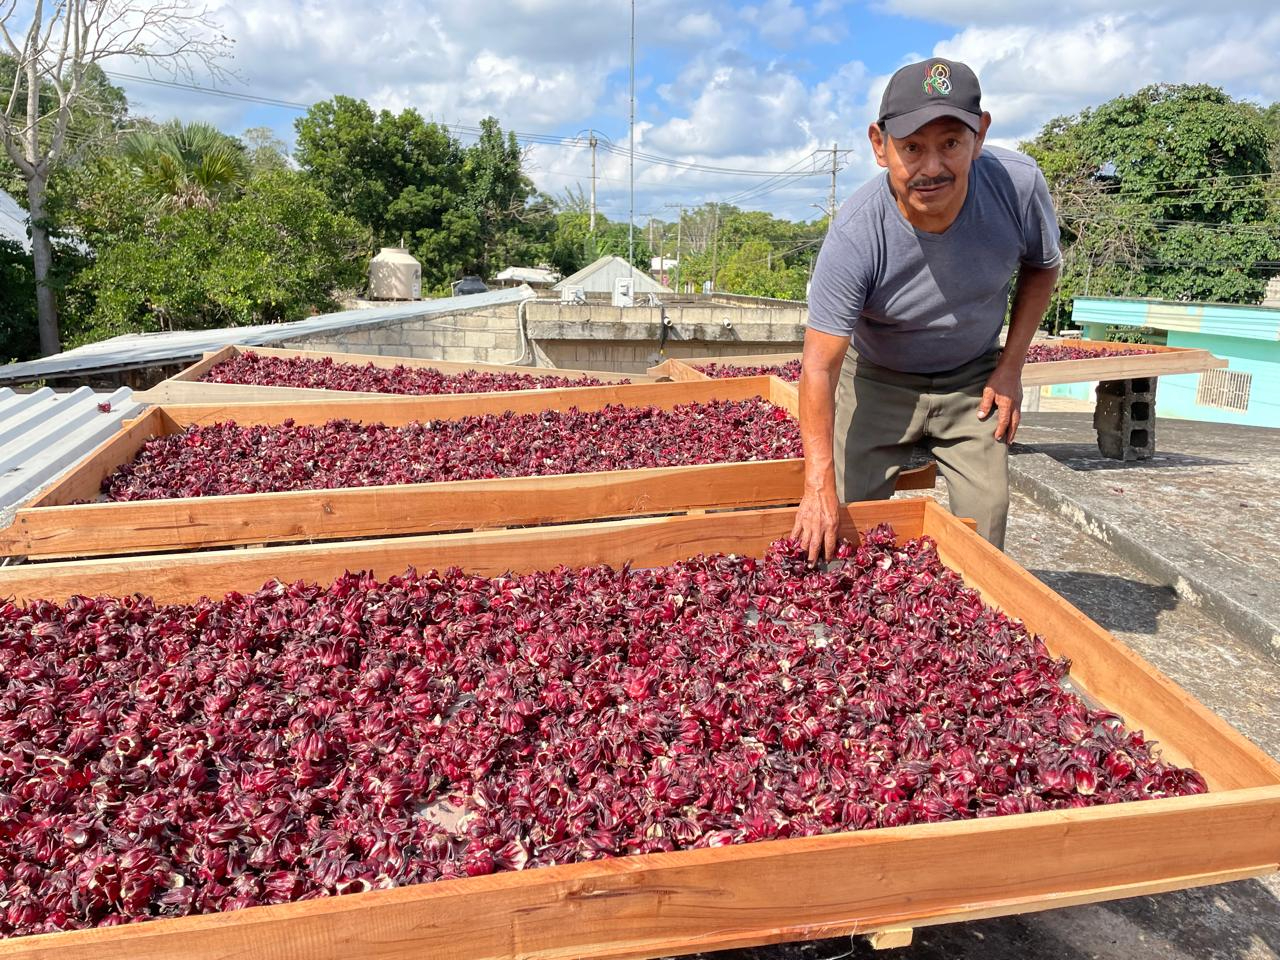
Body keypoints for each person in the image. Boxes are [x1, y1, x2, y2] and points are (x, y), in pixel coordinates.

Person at [791, 57, 1061, 561]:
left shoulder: (1017, 187)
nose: (932, 168)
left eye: (951, 144)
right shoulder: (857, 233)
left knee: (986, 519)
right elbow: (819, 365)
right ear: (879, 145)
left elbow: (1043, 266)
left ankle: (974, 633)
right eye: (912, 147)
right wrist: (817, 483)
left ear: (979, 136)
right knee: (842, 525)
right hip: (877, 377)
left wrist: (1010, 369)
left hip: (973, 378)